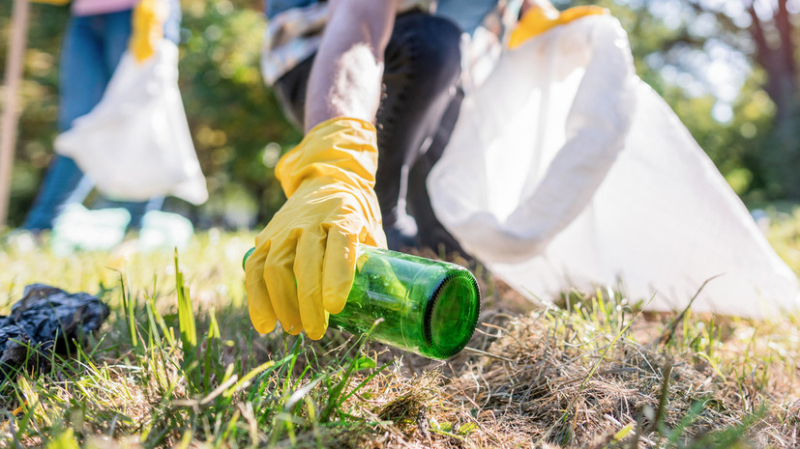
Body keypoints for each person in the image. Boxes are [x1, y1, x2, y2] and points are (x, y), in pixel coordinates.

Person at [245, 0, 600, 339]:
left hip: (440, 81)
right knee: (431, 45)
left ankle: (420, 239)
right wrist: (336, 163)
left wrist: (536, 16)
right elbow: (359, 22)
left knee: (451, 246)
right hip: (327, 58)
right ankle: (378, 226)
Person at [23, 0, 182, 232]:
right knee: (78, 127)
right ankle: (41, 228)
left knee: (138, 119)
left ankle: (136, 229)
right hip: (86, 14)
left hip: (138, 10)